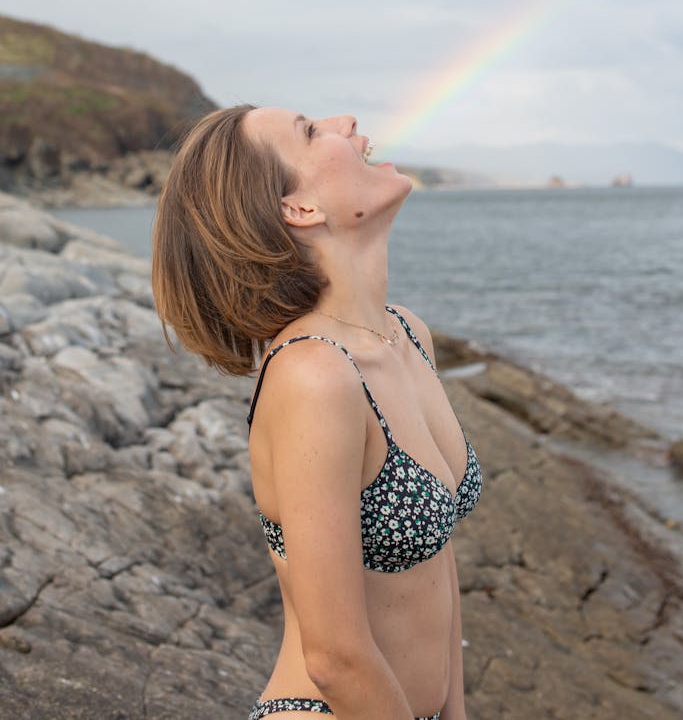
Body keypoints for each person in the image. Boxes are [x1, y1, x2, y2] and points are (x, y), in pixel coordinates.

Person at [151, 105, 482, 720]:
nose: (344, 120)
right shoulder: (314, 375)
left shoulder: (407, 335)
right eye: (309, 131)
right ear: (298, 208)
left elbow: (438, 558)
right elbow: (335, 657)